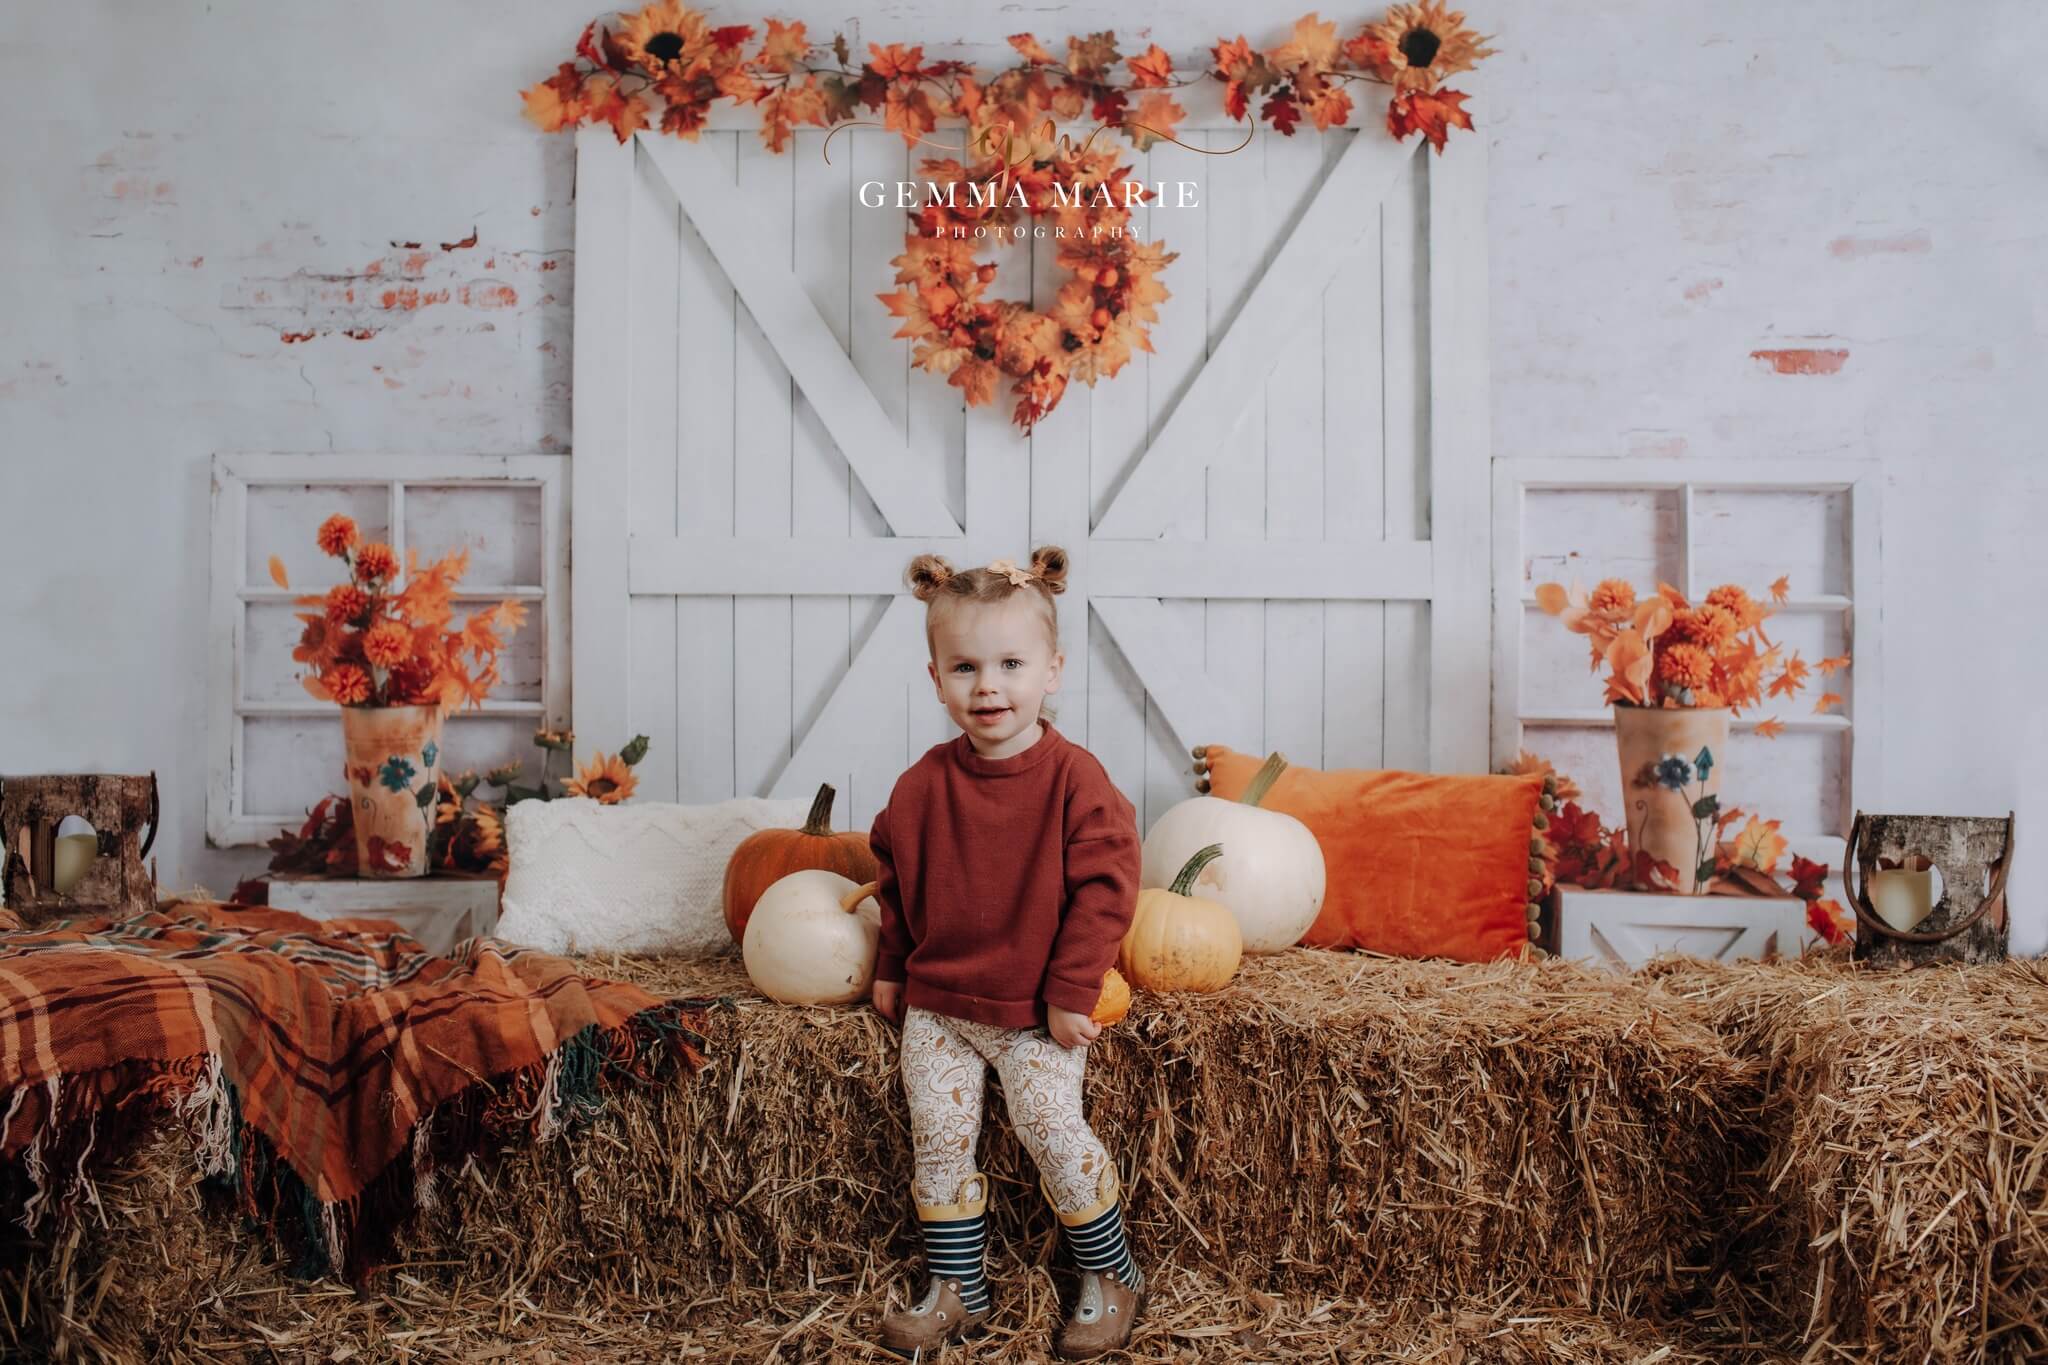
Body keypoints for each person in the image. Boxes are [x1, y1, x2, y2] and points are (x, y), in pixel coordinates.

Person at [866, 545, 1145, 1360]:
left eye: (1011, 664)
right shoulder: (920, 788)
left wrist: (1072, 988)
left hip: (1033, 1011)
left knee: (1050, 1126)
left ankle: (1111, 1271)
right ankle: (959, 1285)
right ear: (936, 677)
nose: (988, 685)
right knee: (939, 1136)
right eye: (965, 667)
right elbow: (896, 881)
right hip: (943, 1008)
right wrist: (892, 967)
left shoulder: (1075, 781)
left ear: (1052, 670)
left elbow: (1108, 888)